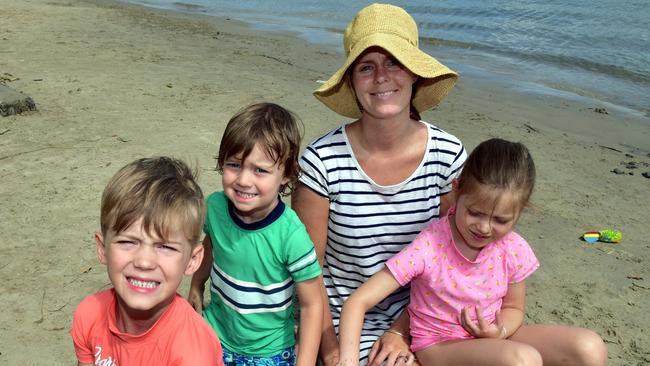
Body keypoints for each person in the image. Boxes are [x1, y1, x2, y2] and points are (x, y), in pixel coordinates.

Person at [292, 3, 465, 366]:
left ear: (414, 74)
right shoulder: (322, 161)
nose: (382, 77)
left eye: (394, 63)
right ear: (352, 82)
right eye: (366, 67)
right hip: (342, 322)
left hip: (428, 316)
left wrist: (402, 330)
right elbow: (309, 272)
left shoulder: (447, 155)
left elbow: (454, 260)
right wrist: (332, 350)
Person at [337, 138, 608, 366]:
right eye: (475, 213)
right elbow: (357, 302)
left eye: (501, 220)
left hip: (494, 339)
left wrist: (499, 330)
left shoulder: (512, 248)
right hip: (439, 345)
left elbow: (514, 308)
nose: (485, 228)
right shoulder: (430, 246)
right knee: (521, 359)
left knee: (589, 347)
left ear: (521, 210)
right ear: (457, 191)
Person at [188, 102, 323, 366]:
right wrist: (196, 285)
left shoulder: (291, 235)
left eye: (260, 170)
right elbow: (210, 246)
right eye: (234, 164)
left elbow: (312, 305)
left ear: (286, 174)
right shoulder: (215, 208)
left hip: (269, 351)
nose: (244, 180)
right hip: (214, 333)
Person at [70, 157, 225, 365]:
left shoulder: (194, 352)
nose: (144, 262)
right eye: (128, 242)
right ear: (102, 248)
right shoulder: (89, 315)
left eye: (165, 247)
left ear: (192, 260)